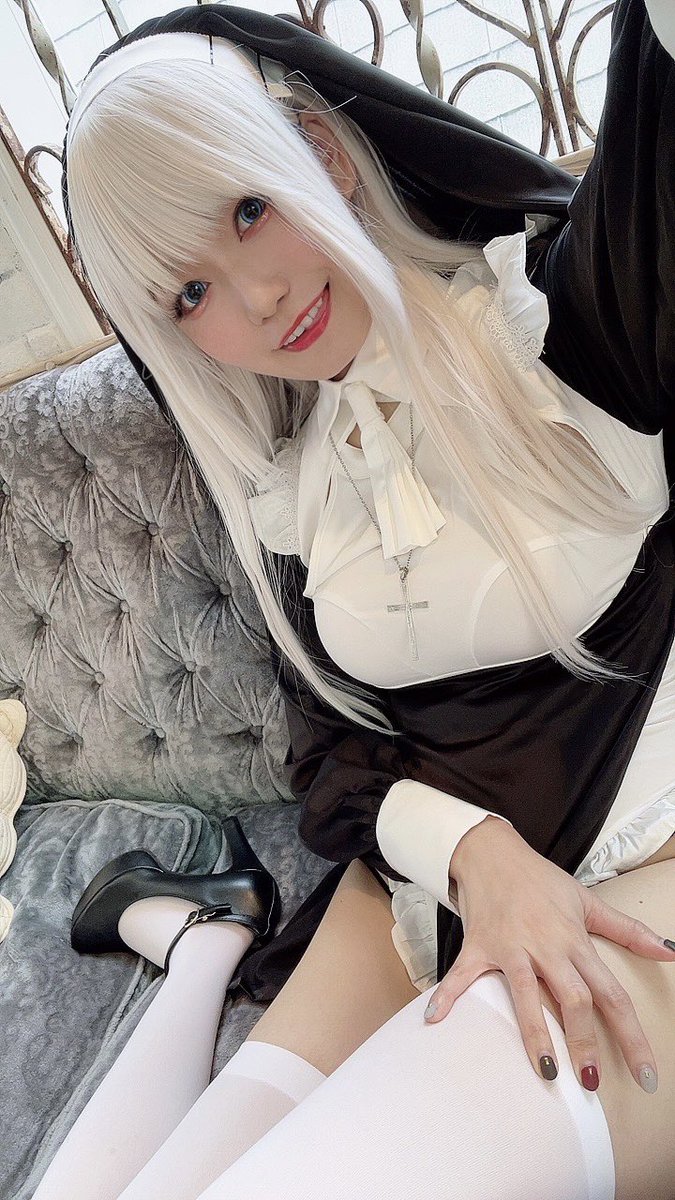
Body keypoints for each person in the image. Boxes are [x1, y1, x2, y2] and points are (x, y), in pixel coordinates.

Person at [32, 1, 675, 1197]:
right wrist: (475, 853)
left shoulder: (566, 320)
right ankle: (208, 943)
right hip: (420, 891)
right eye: (189, 293)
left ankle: (206, 940)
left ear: (319, 150)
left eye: (247, 208)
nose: (259, 300)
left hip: (643, 860)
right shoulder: (297, 492)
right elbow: (336, 760)